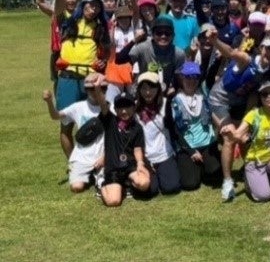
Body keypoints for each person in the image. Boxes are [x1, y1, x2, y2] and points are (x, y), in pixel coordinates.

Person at [52, 0, 111, 159]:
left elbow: (108, 51)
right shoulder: (68, 21)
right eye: (90, 5)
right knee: (66, 123)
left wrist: (103, 62)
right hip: (68, 78)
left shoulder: (101, 28)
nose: (92, 9)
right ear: (82, 5)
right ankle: (73, 164)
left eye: (97, 6)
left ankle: (92, 161)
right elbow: (59, 2)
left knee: (91, 123)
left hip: (89, 81)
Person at [222, 79, 270, 202]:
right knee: (263, 196)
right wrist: (231, 134)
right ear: (260, 97)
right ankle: (250, 179)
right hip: (256, 162)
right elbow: (238, 134)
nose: (269, 96)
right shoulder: (254, 115)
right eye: (264, 94)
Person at [90, 78, 151, 206]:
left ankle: (125, 185)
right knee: (113, 201)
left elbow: (137, 149)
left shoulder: (137, 127)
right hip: (113, 168)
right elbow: (103, 104)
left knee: (144, 183)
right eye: (120, 107)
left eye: (127, 107)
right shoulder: (110, 121)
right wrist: (97, 89)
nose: (124, 111)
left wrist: (140, 163)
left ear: (133, 108)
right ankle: (101, 183)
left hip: (129, 166)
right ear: (115, 110)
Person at [41, 73, 105, 193]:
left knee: (105, 185)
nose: (95, 91)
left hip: (102, 155)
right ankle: (89, 175)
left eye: (100, 87)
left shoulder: (109, 106)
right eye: (90, 88)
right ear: (85, 90)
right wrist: (49, 102)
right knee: (76, 187)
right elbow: (56, 116)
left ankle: (96, 174)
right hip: (83, 156)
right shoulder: (79, 107)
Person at [171, 62, 221, 190]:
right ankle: (194, 165)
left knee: (215, 175)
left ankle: (203, 165)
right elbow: (174, 130)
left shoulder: (203, 94)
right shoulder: (175, 100)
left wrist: (222, 127)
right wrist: (191, 151)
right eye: (188, 77)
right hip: (186, 146)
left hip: (206, 143)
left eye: (195, 77)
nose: (191, 81)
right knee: (190, 184)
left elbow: (211, 73)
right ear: (182, 78)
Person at [135, 72, 180, 196]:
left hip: (164, 154)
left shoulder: (166, 104)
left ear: (158, 89)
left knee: (171, 187)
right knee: (151, 190)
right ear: (139, 90)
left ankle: (163, 171)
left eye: (151, 88)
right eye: (144, 88)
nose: (148, 92)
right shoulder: (134, 108)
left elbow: (173, 127)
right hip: (145, 157)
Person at [116, 16, 186, 92]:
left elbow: (178, 77)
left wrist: (174, 88)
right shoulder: (142, 48)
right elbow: (120, 60)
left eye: (167, 33)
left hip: (166, 90)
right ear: (152, 34)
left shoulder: (178, 53)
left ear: (173, 36)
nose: (163, 36)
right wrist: (134, 40)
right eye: (159, 33)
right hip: (144, 90)